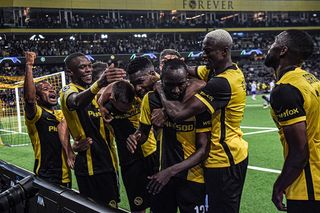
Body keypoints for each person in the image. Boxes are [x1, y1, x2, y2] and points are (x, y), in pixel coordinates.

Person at [154, 29, 248, 213]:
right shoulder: (217, 70)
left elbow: (179, 113)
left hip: (224, 158)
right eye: (203, 50)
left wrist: (160, 89)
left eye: (208, 51)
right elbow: (188, 71)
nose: (203, 55)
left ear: (224, 51)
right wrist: (172, 64)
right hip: (228, 153)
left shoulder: (223, 82)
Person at [127, 59, 211, 213]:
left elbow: (203, 150)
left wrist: (170, 171)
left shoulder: (198, 102)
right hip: (161, 177)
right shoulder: (151, 99)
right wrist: (135, 137)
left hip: (193, 177)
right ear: (161, 80)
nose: (176, 90)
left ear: (187, 79)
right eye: (170, 85)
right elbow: (143, 133)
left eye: (181, 84)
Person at [60, 52, 126, 208]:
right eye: (82, 67)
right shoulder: (67, 90)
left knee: (111, 208)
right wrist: (100, 83)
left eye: (89, 66)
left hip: (109, 162)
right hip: (90, 166)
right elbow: (75, 102)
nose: (88, 70)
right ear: (70, 72)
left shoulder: (98, 95)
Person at [264, 29, 320, 213]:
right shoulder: (311, 79)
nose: (269, 46)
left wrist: (279, 185)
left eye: (273, 42)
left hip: (309, 185)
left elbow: (299, 152)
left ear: (282, 50)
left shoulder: (285, 89)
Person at [98, 80, 156, 213]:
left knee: (158, 202)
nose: (130, 108)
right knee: (138, 205)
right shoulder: (106, 107)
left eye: (131, 105)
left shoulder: (137, 93)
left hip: (151, 152)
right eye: (125, 107)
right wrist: (100, 104)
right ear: (113, 99)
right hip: (129, 159)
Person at [23, 51, 73, 187]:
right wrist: (28, 65)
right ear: (38, 97)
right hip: (46, 177)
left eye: (52, 88)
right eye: (45, 89)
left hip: (66, 176)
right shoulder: (37, 115)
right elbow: (29, 99)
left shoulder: (62, 114)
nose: (52, 90)